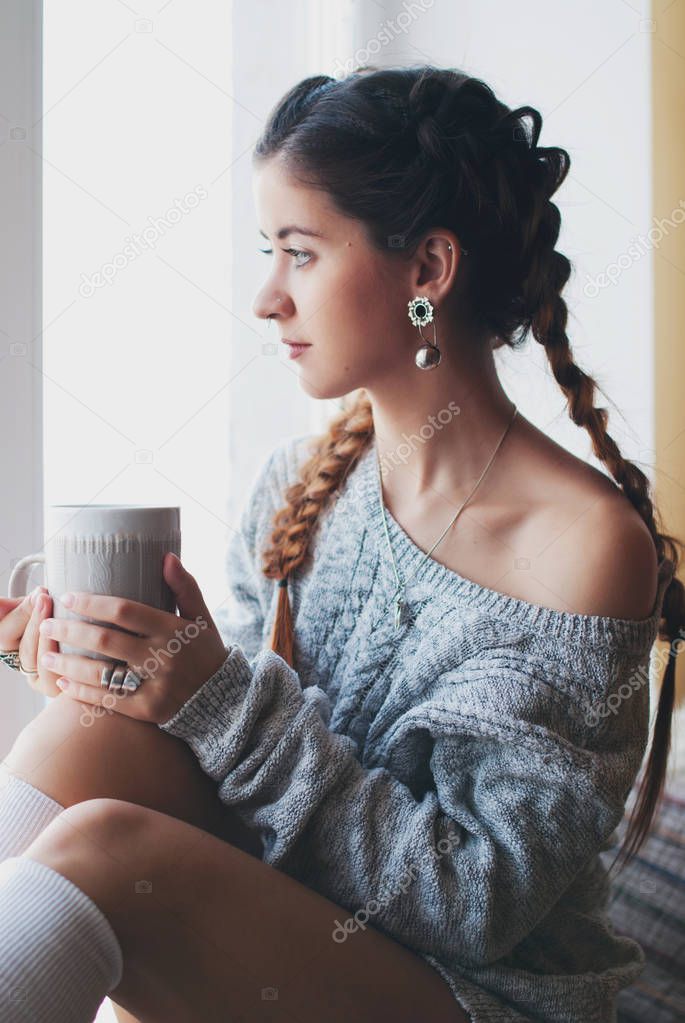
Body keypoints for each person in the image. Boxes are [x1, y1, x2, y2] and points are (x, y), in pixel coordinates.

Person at [0, 64, 683, 1023]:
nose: (266, 298)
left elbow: (475, 902)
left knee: (105, 851)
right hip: (320, 922)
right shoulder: (299, 482)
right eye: (266, 251)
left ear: (427, 272)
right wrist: (117, 674)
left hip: (476, 991)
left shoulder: (587, 548)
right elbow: (228, 767)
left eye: (301, 252)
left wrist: (215, 699)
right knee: (85, 737)